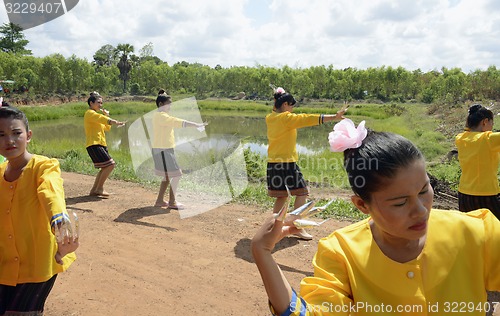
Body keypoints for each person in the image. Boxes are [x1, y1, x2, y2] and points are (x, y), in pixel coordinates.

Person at [252, 122, 500, 315]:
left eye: (424, 190)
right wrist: (262, 252)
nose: (421, 211)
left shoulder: (477, 231)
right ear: (362, 205)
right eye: (400, 202)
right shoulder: (342, 253)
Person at [0, 106, 78, 314]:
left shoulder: (43, 166)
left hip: (37, 263)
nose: (9, 141)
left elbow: (50, 191)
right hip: (4, 263)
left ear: (28, 136)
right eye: (1, 135)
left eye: (16, 133)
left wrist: (59, 220)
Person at [266, 87, 346, 240]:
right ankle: (296, 228)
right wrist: (334, 117)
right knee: (302, 192)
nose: (292, 109)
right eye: (291, 105)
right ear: (285, 105)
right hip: (287, 162)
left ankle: (273, 229)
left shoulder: (270, 117)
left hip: (273, 163)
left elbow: (301, 116)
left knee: (281, 197)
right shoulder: (286, 118)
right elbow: (307, 118)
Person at [151, 90, 207, 209]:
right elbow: (177, 122)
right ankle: (172, 202)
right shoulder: (162, 116)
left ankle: (160, 201)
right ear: (161, 104)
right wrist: (196, 125)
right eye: (168, 103)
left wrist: (163, 94)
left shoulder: (159, 115)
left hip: (162, 149)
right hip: (163, 150)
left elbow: (174, 121)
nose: (170, 106)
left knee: (167, 176)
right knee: (177, 174)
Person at [455, 103, 500, 219]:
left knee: (472, 230)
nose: (492, 127)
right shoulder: (488, 139)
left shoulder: (460, 138)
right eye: (491, 123)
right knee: (494, 228)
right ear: (485, 122)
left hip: (464, 195)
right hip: (486, 195)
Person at [84, 91, 125, 198]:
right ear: (91, 103)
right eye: (98, 102)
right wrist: (114, 121)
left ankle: (94, 190)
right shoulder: (90, 113)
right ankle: (99, 188)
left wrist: (107, 116)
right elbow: (103, 120)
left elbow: (106, 127)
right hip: (94, 144)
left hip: (100, 144)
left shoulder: (96, 116)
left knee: (105, 167)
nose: (100, 105)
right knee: (110, 165)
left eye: (101, 103)